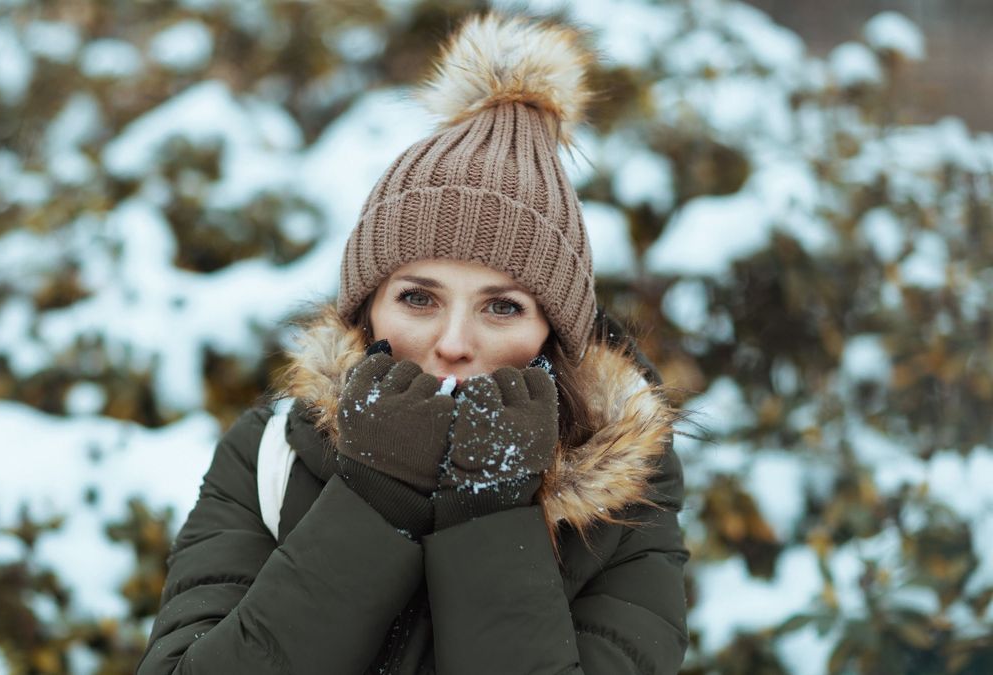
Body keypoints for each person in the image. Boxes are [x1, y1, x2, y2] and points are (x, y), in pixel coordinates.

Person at [138, 12, 688, 675]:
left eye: (503, 306)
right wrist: (372, 500)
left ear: (554, 330)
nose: (454, 342)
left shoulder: (622, 502)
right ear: (366, 306)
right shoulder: (273, 457)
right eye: (419, 298)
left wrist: (491, 515)